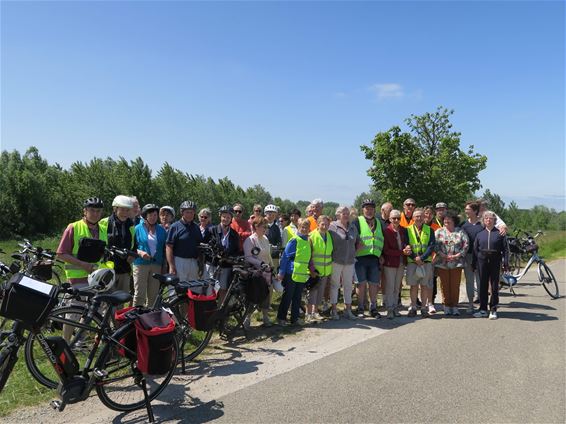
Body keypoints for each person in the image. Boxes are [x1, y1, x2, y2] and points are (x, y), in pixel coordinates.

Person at [57, 197, 108, 287]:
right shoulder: (73, 227)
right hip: (77, 281)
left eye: (98, 211)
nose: (95, 214)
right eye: (92, 210)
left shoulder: (104, 230)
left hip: (97, 279)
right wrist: (82, 264)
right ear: (85, 211)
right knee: (77, 302)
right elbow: (61, 254)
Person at [472, 211, 509, 320]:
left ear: (494, 220)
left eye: (491, 218)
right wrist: (474, 263)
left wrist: (506, 263)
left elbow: (506, 250)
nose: (488, 220)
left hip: (495, 261)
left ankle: (493, 309)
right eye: (486, 218)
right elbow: (475, 250)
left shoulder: (500, 234)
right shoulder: (479, 234)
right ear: (483, 221)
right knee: (482, 285)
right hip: (482, 261)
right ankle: (483, 309)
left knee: (494, 286)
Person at [276, 218, 313, 326]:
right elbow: (285, 257)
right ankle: (281, 318)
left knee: (297, 297)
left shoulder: (308, 241)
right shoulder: (294, 240)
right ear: (298, 227)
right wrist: (281, 273)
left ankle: (294, 319)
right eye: (302, 227)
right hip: (291, 273)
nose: (304, 229)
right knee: (288, 296)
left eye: (306, 227)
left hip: (301, 274)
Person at [353, 199, 384, 318]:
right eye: (367, 208)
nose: (369, 210)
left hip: (375, 258)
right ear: (363, 209)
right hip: (360, 258)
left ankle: (373, 308)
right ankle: (361, 308)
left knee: (374, 284)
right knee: (360, 284)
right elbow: (351, 238)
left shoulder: (379, 222)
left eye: (371, 208)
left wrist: (382, 255)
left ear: (374, 209)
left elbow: (383, 239)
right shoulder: (357, 221)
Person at [434, 211, 469, 316]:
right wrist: (442, 255)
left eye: (449, 219)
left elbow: (466, 245)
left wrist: (456, 256)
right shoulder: (439, 232)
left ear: (454, 221)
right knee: (444, 285)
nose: (446, 221)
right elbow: (434, 245)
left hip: (456, 263)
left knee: (455, 285)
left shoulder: (460, 232)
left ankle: (454, 306)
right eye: (445, 219)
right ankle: (446, 306)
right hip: (442, 262)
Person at [99, 195, 136, 293]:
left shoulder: (131, 225)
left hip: (125, 269)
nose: (125, 213)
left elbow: (134, 244)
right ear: (115, 208)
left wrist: (133, 255)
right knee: (106, 301)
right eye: (122, 209)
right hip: (107, 269)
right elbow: (99, 243)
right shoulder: (104, 222)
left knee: (121, 300)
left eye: (127, 210)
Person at [204, 205, 241, 301]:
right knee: (209, 288)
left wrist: (230, 257)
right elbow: (204, 247)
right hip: (212, 264)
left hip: (226, 265)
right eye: (224, 216)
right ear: (220, 216)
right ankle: (208, 311)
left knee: (223, 289)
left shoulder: (234, 234)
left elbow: (236, 251)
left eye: (228, 217)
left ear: (231, 219)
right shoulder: (211, 230)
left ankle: (220, 312)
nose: (225, 219)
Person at [133, 204, 167, 307]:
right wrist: (140, 252)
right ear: (145, 216)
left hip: (156, 264)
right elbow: (131, 246)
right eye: (150, 215)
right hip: (140, 264)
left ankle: (150, 318)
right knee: (139, 294)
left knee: (153, 295)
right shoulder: (137, 228)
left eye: (155, 215)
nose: (153, 217)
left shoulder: (161, 230)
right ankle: (134, 319)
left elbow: (165, 249)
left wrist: (164, 266)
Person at [244, 216, 275, 327]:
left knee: (267, 293)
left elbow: (268, 255)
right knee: (253, 295)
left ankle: (265, 317)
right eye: (263, 226)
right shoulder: (250, 240)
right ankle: (247, 318)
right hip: (255, 273)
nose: (265, 228)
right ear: (255, 227)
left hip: (266, 272)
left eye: (266, 226)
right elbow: (248, 257)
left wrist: (271, 266)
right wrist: (260, 264)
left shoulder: (265, 239)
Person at [328, 206, 358, 320]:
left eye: (347, 213)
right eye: (343, 213)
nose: (346, 215)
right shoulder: (332, 227)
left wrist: (354, 253)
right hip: (336, 260)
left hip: (350, 261)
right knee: (335, 285)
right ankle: (334, 310)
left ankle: (348, 310)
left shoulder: (353, 227)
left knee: (348, 286)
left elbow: (358, 242)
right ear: (338, 215)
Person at [406, 208, 436, 317]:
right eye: (416, 216)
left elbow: (431, 246)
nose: (419, 218)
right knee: (413, 286)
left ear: (424, 217)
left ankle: (424, 308)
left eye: (420, 216)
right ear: (413, 218)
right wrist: (415, 258)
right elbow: (406, 245)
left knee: (424, 286)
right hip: (412, 262)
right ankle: (413, 307)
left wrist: (421, 258)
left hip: (425, 262)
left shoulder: (430, 230)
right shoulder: (407, 230)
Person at [382, 210, 411, 319]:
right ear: (389, 219)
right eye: (394, 218)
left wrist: (407, 247)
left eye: (398, 218)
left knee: (397, 287)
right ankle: (389, 308)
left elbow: (406, 243)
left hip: (401, 262)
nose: (396, 220)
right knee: (390, 286)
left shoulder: (403, 230)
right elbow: (386, 250)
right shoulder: (386, 231)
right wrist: (401, 252)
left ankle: (394, 308)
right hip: (390, 263)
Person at [166, 200, 203, 282]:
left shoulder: (196, 227)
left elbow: (199, 246)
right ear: (182, 212)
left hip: (193, 262)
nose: (189, 214)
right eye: (187, 212)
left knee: (192, 289)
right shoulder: (175, 226)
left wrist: (200, 263)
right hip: (179, 261)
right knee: (176, 288)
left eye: (191, 212)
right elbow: (169, 247)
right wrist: (171, 265)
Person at [306, 215, 333, 321]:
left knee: (320, 293)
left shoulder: (329, 235)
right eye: (322, 224)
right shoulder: (311, 236)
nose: (325, 226)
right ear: (317, 224)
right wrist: (311, 270)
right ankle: (308, 314)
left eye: (327, 224)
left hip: (325, 270)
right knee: (312, 292)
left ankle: (315, 311)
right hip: (314, 271)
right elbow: (308, 255)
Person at [461, 201, 483, 313]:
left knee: (480, 281)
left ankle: (482, 304)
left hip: (480, 257)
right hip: (467, 257)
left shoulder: (482, 226)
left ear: (475, 211)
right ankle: (470, 304)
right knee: (469, 281)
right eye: (465, 209)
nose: (466, 211)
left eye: (468, 209)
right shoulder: (463, 226)